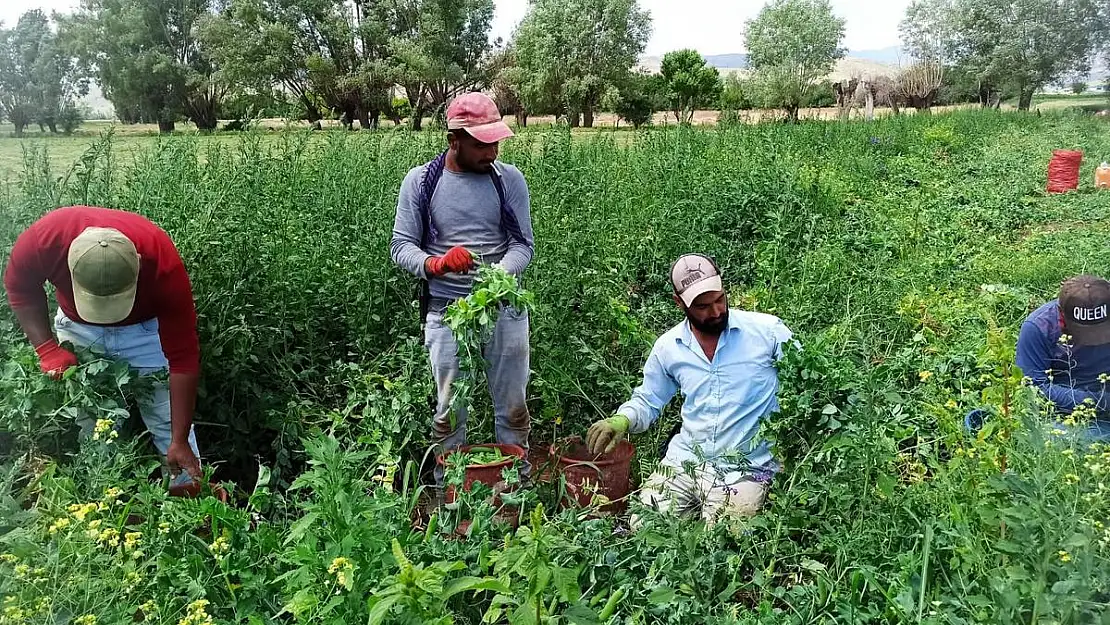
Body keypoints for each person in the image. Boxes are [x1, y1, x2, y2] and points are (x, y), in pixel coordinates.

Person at [389, 92, 535, 481]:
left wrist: (501, 276)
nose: (491, 151)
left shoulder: (510, 181)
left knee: (514, 407)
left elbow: (523, 245)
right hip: (448, 314)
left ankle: (516, 486)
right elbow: (401, 246)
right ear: (454, 140)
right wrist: (435, 264)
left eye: (495, 142)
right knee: (449, 412)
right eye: (480, 144)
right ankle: (450, 490)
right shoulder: (421, 183)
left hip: (505, 313)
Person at [586, 254, 795, 524]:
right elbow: (649, 400)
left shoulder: (768, 333)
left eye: (720, 299)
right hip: (686, 461)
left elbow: (806, 383)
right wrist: (622, 420)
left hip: (748, 466)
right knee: (644, 526)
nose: (717, 311)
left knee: (724, 537)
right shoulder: (669, 347)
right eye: (703, 306)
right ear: (679, 303)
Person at [4, 205, 203, 485]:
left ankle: (191, 507)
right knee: (97, 426)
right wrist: (47, 349)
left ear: (138, 266)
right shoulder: (45, 240)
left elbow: (183, 358)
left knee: (167, 420)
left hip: (143, 332)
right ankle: (108, 504)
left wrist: (179, 439)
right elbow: (20, 288)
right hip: (79, 329)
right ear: (70, 264)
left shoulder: (160, 261)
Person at [1013, 274, 1110, 440]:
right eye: (1085, 332)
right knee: (1055, 436)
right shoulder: (1039, 327)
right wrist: (1098, 402)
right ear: (1061, 314)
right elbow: (1033, 388)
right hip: (1065, 408)